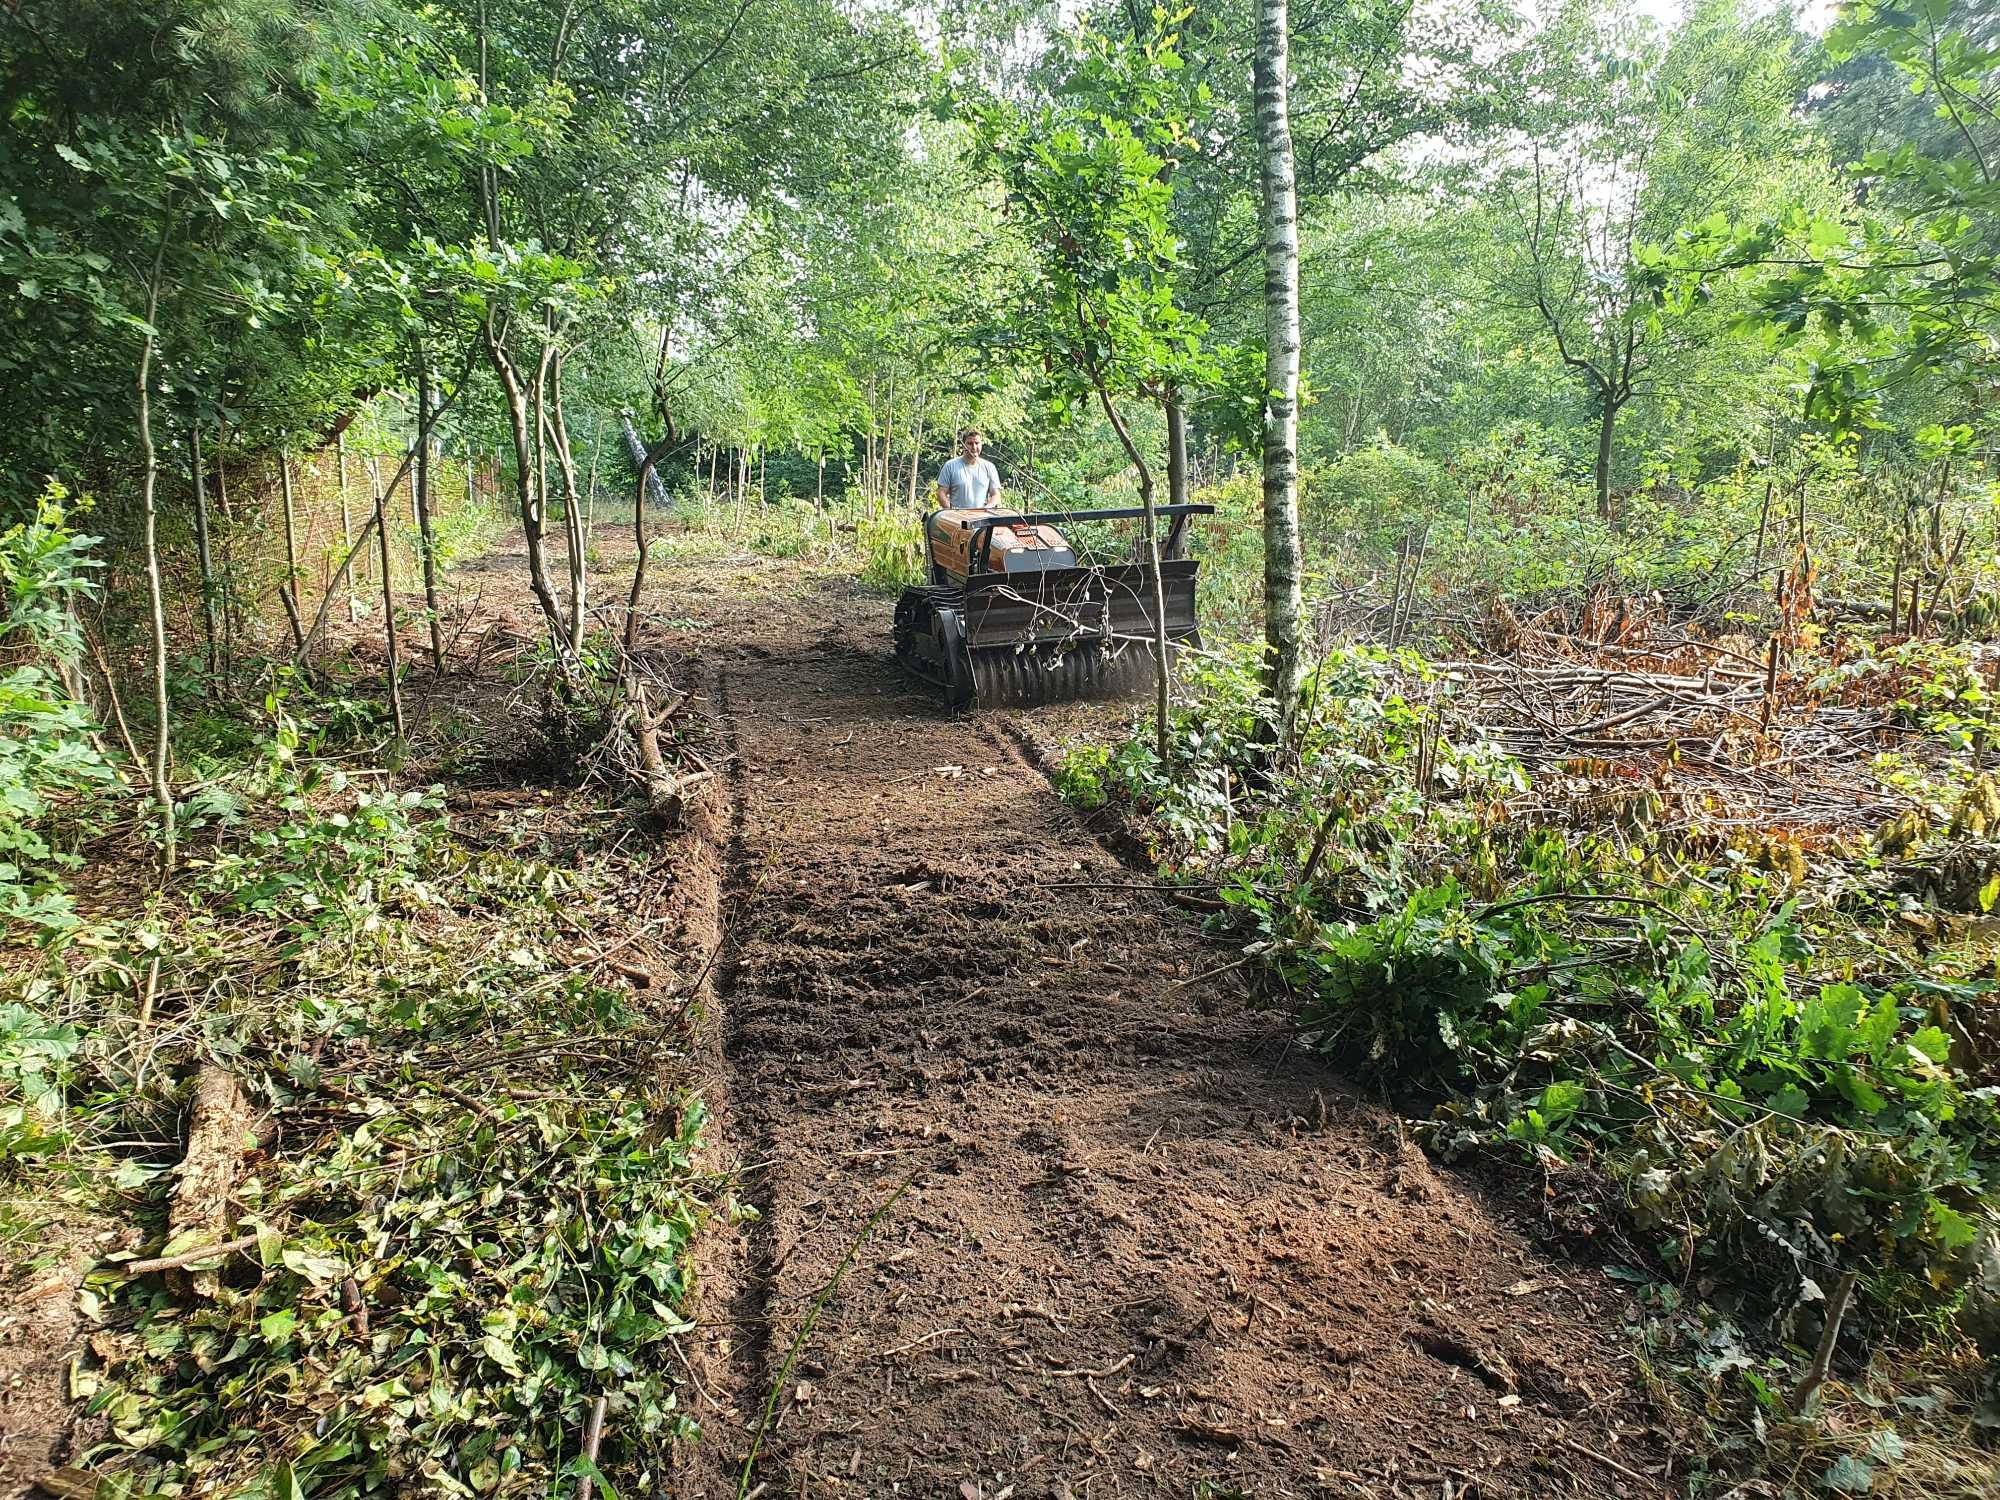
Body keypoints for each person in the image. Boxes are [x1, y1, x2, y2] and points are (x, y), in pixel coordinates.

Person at [935, 429, 1003, 510]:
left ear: (981, 444)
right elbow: (941, 493)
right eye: (970, 444)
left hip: (981, 518)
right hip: (957, 518)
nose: (974, 447)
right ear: (963, 445)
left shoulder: (989, 467)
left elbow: (996, 494)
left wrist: (987, 508)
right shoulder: (950, 466)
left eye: (977, 443)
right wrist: (951, 510)